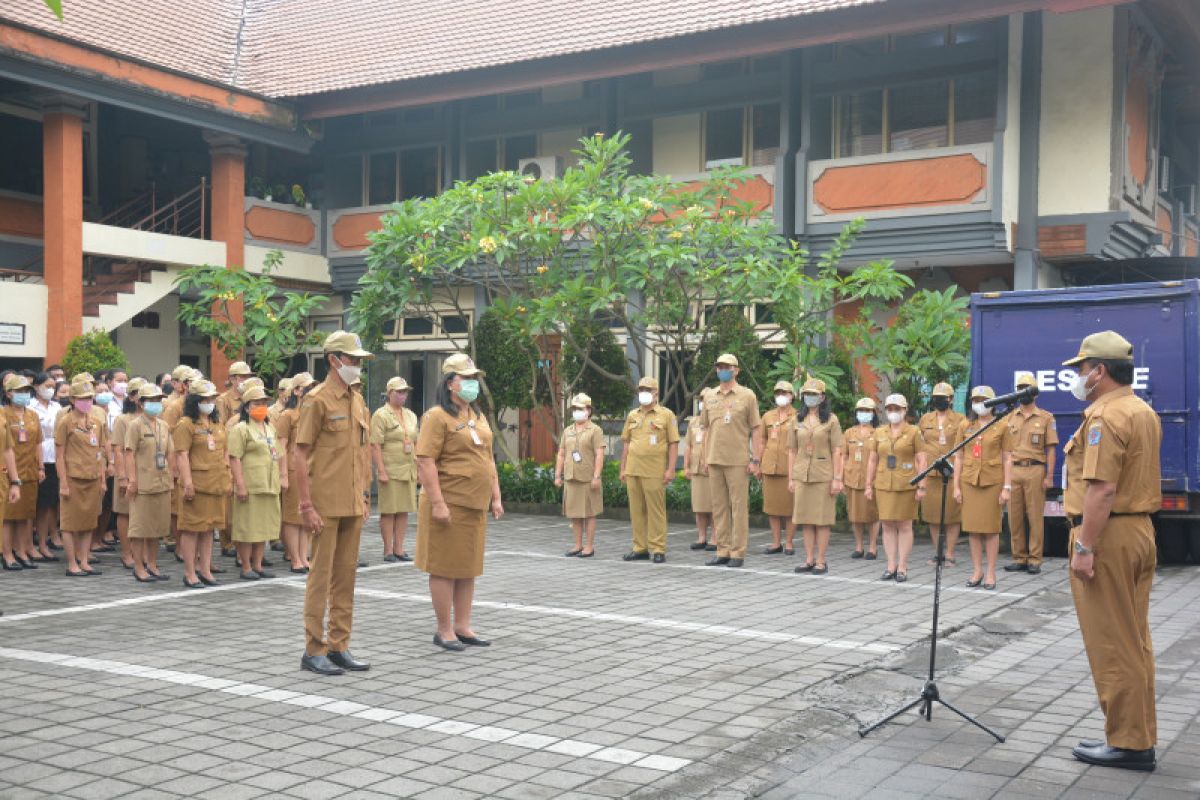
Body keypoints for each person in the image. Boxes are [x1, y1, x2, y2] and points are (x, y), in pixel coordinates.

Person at [1061, 331, 1160, 771]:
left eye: (1081, 369)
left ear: (1099, 371)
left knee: (1113, 643)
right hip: (1137, 532)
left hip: (1109, 537)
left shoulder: (1105, 417)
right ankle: (1136, 734)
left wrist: (1085, 546)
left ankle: (1129, 743)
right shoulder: (1141, 410)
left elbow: (1101, 490)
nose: (1078, 377)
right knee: (1135, 640)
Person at [295, 331, 373, 675]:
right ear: (333, 360)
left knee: (346, 577)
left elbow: (362, 451)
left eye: (358, 361)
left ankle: (339, 644)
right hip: (325, 502)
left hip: (352, 501)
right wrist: (307, 505)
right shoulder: (317, 399)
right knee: (320, 576)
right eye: (352, 359)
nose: (356, 366)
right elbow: (299, 454)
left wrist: (365, 495)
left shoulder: (356, 398)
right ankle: (314, 648)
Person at [415, 353, 503, 652]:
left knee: (468, 566)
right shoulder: (437, 416)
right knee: (444, 566)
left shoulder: (476, 416)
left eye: (474, 378)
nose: (473, 384)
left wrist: (496, 495)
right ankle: (444, 629)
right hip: (449, 502)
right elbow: (425, 461)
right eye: (467, 379)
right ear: (451, 383)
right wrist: (438, 503)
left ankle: (463, 625)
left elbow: (487, 458)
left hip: (474, 503)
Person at [700, 354, 763, 568]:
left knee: (738, 507)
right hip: (715, 458)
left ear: (736, 370)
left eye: (727, 367)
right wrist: (705, 457)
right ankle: (723, 549)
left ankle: (738, 552)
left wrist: (756, 459)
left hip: (737, 460)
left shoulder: (747, 396)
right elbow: (706, 428)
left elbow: (756, 429)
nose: (722, 370)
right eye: (719, 367)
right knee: (718, 507)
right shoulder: (709, 396)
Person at [953, 386, 1015, 591]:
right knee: (973, 529)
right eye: (976, 399)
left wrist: (1007, 487)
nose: (979, 403)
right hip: (969, 481)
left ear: (992, 403)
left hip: (992, 482)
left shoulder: (1002, 425)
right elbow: (959, 456)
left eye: (984, 399)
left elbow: (1007, 457)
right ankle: (977, 570)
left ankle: (990, 572)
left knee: (990, 529)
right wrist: (956, 486)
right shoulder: (965, 425)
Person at [865, 394, 927, 583]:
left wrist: (922, 485)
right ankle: (891, 565)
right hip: (884, 484)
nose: (893, 412)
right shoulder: (879, 432)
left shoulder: (914, 431)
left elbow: (921, 458)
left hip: (906, 484)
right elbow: (873, 459)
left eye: (897, 409)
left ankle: (902, 566)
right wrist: (868, 484)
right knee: (887, 525)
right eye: (890, 409)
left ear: (905, 410)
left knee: (905, 525)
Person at [173, 379, 227, 588]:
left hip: (215, 483)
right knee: (191, 529)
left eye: (212, 398)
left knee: (209, 529)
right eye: (205, 399)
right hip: (196, 484)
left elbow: (224, 453)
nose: (209, 402)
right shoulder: (185, 424)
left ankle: (205, 570)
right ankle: (190, 572)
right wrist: (187, 482)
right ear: (195, 401)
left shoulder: (216, 424)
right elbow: (182, 455)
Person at [619, 376, 679, 564]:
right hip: (633, 469)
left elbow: (674, 443)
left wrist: (670, 469)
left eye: (647, 389)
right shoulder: (632, 415)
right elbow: (627, 444)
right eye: (641, 389)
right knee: (636, 511)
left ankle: (658, 548)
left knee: (656, 511)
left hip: (654, 470)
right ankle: (640, 547)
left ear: (656, 393)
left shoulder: (666, 415)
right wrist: (623, 468)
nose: (643, 392)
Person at [1004, 372, 1058, 575]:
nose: (1023, 392)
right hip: (1014, 469)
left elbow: (1051, 448)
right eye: (1020, 388)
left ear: (1035, 394)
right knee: (1014, 517)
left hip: (1035, 469)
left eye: (1027, 388)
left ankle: (1035, 559)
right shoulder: (1010, 417)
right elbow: (1004, 449)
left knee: (1035, 516)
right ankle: (1019, 557)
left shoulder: (1045, 418)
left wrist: (1049, 476)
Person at [227, 384, 283, 582]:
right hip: (251, 485)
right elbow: (234, 458)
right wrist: (240, 484)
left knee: (264, 527)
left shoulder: (269, 428)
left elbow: (278, 454)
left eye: (264, 403)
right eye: (257, 403)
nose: (261, 406)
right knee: (247, 527)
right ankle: (246, 566)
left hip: (269, 484)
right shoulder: (241, 429)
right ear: (247, 406)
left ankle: (258, 565)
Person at [788, 378, 844, 574]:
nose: (810, 398)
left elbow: (837, 450)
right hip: (802, 474)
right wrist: (791, 477)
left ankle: (821, 560)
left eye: (814, 394)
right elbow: (792, 451)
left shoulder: (831, 420)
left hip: (823, 475)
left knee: (821, 520)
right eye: (807, 394)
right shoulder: (797, 419)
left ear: (822, 397)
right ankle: (809, 559)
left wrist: (837, 478)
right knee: (806, 519)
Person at [55, 380, 107, 577]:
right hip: (73, 478)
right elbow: (60, 455)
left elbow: (100, 452)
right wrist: (64, 483)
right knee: (69, 523)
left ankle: (84, 561)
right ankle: (72, 563)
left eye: (89, 398)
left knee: (89, 521)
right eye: (82, 398)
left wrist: (102, 480)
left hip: (92, 477)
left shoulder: (96, 422)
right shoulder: (65, 422)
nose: (86, 401)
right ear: (72, 399)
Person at [123, 383, 173, 582]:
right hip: (143, 484)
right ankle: (138, 566)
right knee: (140, 528)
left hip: (161, 482)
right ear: (142, 404)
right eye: (151, 401)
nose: (156, 404)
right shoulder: (135, 425)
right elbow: (129, 454)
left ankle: (152, 564)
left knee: (157, 528)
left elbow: (170, 452)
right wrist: (132, 480)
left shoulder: (163, 425)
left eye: (158, 400)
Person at [370, 376, 420, 563]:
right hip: (390, 468)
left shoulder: (410, 415)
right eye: (399, 392)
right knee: (389, 510)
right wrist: (381, 470)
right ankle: (388, 550)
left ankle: (399, 548)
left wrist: (420, 466)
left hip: (408, 468)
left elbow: (416, 441)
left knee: (404, 509)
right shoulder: (381, 415)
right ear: (389, 393)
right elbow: (375, 444)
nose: (403, 395)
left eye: (405, 391)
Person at [918, 382, 966, 566]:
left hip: (952, 473)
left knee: (952, 516)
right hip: (931, 473)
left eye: (943, 398)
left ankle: (950, 553)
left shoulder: (960, 420)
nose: (939, 401)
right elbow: (921, 445)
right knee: (932, 515)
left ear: (951, 399)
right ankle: (938, 552)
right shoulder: (925, 419)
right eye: (936, 397)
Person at [554, 392, 605, 558]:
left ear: (589, 410)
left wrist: (596, 476)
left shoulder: (595, 430)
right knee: (574, 514)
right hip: (571, 477)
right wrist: (557, 475)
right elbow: (561, 453)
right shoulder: (568, 430)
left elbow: (599, 454)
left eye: (580, 408)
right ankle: (577, 544)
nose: (577, 411)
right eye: (574, 408)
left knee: (589, 513)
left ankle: (589, 546)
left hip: (588, 478)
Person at [2, 374, 43, 570]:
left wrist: (41, 466)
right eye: (19, 391)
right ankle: (7, 554)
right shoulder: (3, 415)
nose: (24, 395)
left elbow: (38, 443)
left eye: (27, 391)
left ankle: (21, 551)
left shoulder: (32, 415)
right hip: (9, 472)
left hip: (30, 470)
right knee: (9, 516)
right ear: (8, 394)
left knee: (26, 515)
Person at [277, 372, 315, 573]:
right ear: (297, 391)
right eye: (307, 388)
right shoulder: (287, 415)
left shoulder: (312, 413)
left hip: (310, 469)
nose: (310, 391)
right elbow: (280, 446)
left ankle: (304, 555)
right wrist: (282, 474)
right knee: (293, 516)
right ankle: (295, 558)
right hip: (292, 468)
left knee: (305, 514)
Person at [110, 377, 145, 570]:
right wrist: (123, 476)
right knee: (125, 512)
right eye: (139, 393)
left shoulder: (152, 419)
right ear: (131, 397)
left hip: (147, 473)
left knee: (143, 513)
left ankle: (143, 553)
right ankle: (126, 553)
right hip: (127, 472)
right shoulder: (123, 419)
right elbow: (118, 449)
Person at [760, 380, 796, 556]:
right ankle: (776, 542)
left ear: (792, 396)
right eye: (778, 393)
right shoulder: (767, 416)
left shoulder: (798, 417)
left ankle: (789, 542)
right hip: (769, 466)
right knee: (772, 508)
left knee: (789, 508)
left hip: (789, 468)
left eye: (785, 393)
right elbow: (761, 440)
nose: (781, 396)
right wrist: (758, 463)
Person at [31, 371, 62, 561]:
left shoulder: (57, 406)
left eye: (52, 387)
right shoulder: (30, 406)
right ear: (36, 386)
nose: (50, 390)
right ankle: (28, 545)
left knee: (48, 504)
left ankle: (44, 543)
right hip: (36, 457)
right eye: (46, 386)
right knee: (34, 505)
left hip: (54, 457)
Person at [844, 397, 880, 559]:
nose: (863, 414)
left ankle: (873, 547)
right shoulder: (849, 433)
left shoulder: (878, 433)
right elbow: (843, 455)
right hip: (852, 478)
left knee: (873, 514)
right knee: (855, 514)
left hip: (871, 480)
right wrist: (843, 474)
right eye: (860, 411)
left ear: (873, 413)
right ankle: (859, 546)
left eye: (867, 411)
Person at [683, 390, 715, 552]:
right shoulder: (694, 421)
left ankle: (715, 538)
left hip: (712, 469)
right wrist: (686, 466)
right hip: (696, 468)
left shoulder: (716, 420)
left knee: (714, 505)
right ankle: (701, 537)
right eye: (702, 399)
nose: (704, 402)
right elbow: (688, 445)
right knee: (699, 506)